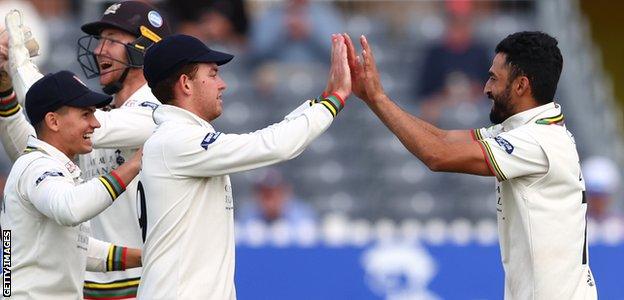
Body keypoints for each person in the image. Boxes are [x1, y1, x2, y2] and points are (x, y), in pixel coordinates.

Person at [344, 31, 597, 299]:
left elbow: (437, 155)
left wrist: (378, 98)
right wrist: (374, 98)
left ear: (522, 85)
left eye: (494, 78)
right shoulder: (531, 130)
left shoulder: (536, 141)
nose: (486, 88)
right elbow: (442, 139)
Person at [137, 33, 350, 299]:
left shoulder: (175, 138)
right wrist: (335, 100)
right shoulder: (177, 140)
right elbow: (273, 145)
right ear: (186, 84)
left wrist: (321, 100)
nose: (222, 84)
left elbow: (271, 139)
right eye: (213, 74)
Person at [0, 3, 170, 298]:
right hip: (90, 280)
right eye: (99, 40)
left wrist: (19, 60)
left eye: (112, 40)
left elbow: (53, 111)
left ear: (146, 49)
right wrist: (5, 92)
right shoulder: (93, 120)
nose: (99, 50)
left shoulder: (157, 113)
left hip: (140, 287)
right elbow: (36, 150)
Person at [0, 70, 142, 299]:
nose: (95, 124)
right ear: (53, 121)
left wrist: (145, 256)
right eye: (86, 114)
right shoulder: (39, 166)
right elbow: (70, 208)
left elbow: (78, 246)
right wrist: (133, 165)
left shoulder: (45, 166)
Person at [238, 168, 317, 227]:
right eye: (265, 194)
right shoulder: (247, 215)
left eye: (275, 193)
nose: (270, 201)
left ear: (286, 192)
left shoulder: (302, 214)